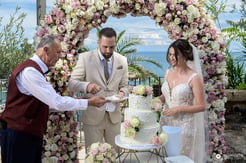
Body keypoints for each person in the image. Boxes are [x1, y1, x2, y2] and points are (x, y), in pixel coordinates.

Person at [0, 34, 106, 163]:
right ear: (45, 50)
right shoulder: (30, 72)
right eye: (58, 52)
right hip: (18, 135)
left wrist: (80, 99)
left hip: (27, 134)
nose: (60, 56)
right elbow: (56, 102)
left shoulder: (35, 70)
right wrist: (89, 102)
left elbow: (47, 104)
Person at [68, 27, 129, 150]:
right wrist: (87, 86)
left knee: (115, 155)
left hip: (114, 117)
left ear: (115, 44)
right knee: (93, 155)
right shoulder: (84, 58)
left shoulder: (122, 60)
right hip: (92, 117)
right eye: (105, 47)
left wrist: (122, 93)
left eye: (111, 47)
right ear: (98, 42)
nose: (108, 50)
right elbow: (71, 83)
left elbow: (125, 85)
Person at [158, 39, 207, 162]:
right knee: (165, 155)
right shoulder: (168, 73)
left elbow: (201, 106)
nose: (172, 58)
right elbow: (167, 96)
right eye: (170, 54)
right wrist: (156, 100)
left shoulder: (194, 77)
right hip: (165, 122)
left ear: (185, 55)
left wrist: (178, 109)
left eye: (175, 55)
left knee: (180, 157)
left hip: (184, 126)